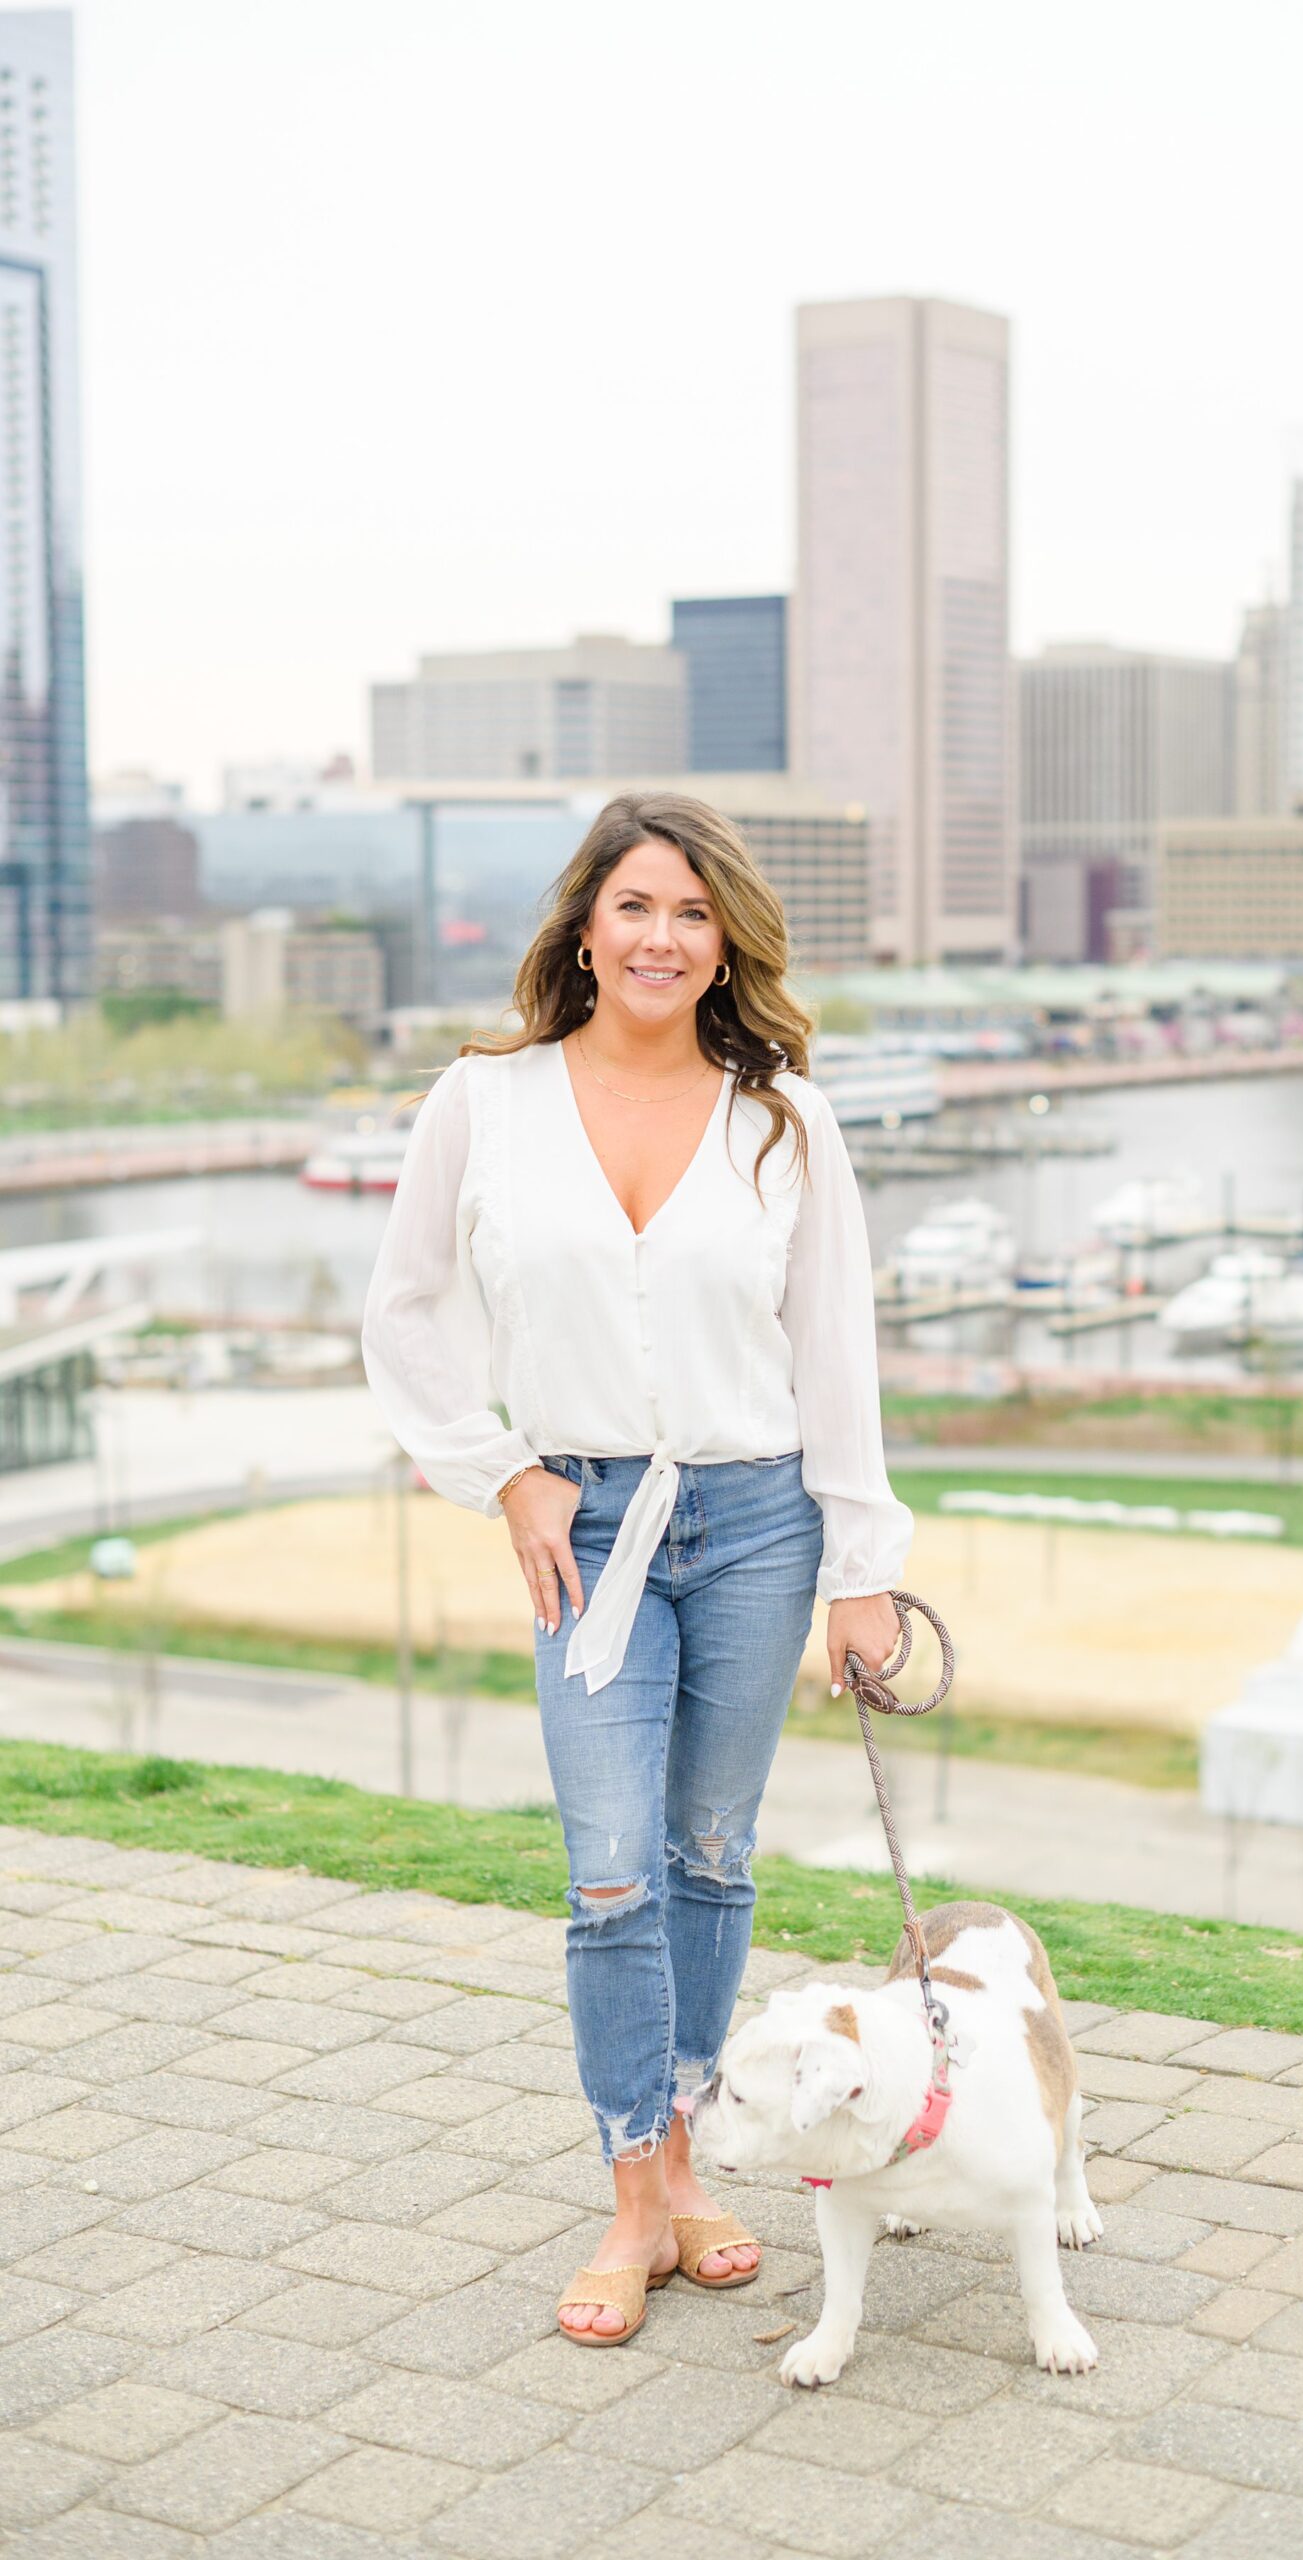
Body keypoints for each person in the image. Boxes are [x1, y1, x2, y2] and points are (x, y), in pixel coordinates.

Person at [361, 792, 910, 2346]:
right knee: (611, 1873)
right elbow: (403, 1315)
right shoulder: (485, 1101)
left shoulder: (786, 1115)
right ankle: (632, 2189)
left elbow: (836, 1355)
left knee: (711, 1858)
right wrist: (506, 1475)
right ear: (584, 929)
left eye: (691, 911)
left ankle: (688, 2175)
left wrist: (861, 1566)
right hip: (586, 1529)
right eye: (635, 908)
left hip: (759, 1524)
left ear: (722, 936)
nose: (662, 936)